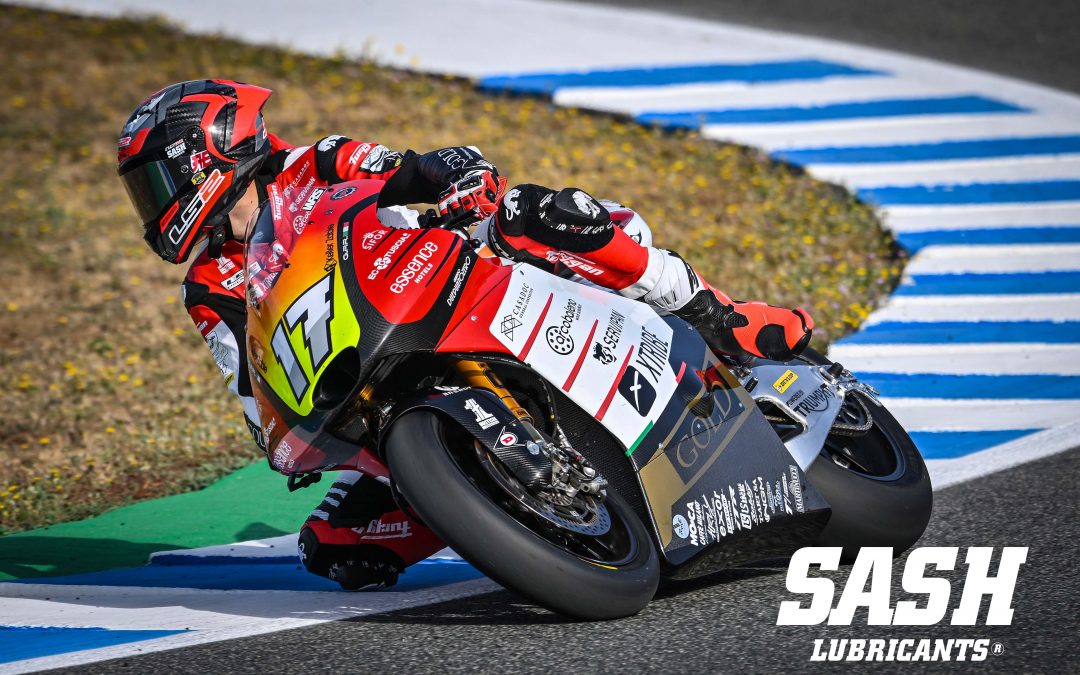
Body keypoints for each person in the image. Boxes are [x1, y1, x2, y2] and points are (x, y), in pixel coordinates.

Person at [118, 79, 812, 591]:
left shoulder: (312, 163)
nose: (153, 206)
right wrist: (281, 432)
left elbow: (405, 168)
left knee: (529, 212)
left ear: (210, 149)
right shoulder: (207, 286)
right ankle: (490, 498)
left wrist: (454, 174)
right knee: (336, 544)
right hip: (373, 376)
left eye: (156, 180)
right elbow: (248, 379)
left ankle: (715, 313)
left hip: (445, 276)